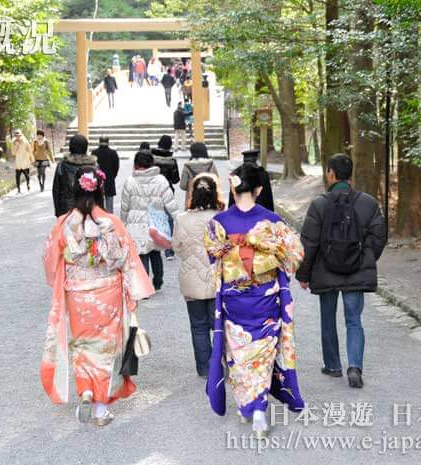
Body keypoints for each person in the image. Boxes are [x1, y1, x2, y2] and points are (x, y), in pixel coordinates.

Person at [42, 166, 154, 426]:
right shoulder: (111, 223)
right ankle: (101, 408)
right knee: (105, 347)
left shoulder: (63, 223)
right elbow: (128, 259)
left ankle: (86, 390)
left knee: (82, 346)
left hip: (78, 294)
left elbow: (50, 260)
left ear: (75, 190)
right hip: (108, 292)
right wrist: (133, 292)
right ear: (101, 190)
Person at [205, 164, 305, 438]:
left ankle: (249, 405)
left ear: (233, 188)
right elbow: (294, 255)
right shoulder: (273, 221)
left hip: (233, 299)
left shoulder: (219, 222)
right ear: (259, 189)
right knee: (261, 352)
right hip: (265, 298)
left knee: (238, 353)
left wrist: (235, 249)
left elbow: (212, 255)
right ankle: (257, 409)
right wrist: (268, 253)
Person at [295, 154, 387, 388]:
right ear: (351, 174)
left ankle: (333, 365)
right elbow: (378, 236)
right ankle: (354, 366)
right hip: (356, 271)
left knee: (328, 318)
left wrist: (303, 274)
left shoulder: (319, 204)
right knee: (354, 319)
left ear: (331, 174)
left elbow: (309, 242)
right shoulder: (368, 203)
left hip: (325, 270)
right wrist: (366, 258)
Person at [173, 174, 224, 378]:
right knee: (219, 325)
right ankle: (219, 364)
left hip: (191, 278)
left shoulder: (181, 219)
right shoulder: (222, 218)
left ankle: (204, 367)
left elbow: (176, 246)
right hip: (216, 278)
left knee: (198, 326)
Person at [120, 151, 179, 292]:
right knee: (155, 252)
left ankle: (144, 286)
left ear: (136, 164)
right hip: (156, 221)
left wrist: (123, 222)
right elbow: (170, 202)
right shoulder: (161, 180)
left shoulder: (130, 181)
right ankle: (158, 282)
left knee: (142, 254)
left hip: (136, 223)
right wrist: (179, 218)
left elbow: (125, 205)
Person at [52, 134, 97, 217]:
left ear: (71, 147)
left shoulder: (62, 165)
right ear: (85, 147)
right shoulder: (93, 166)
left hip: (67, 209)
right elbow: (99, 190)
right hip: (89, 207)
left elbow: (56, 190)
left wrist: (58, 213)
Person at [151, 136, 180, 260]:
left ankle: (154, 247)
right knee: (169, 220)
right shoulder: (172, 160)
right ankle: (169, 251)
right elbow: (175, 179)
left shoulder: (152, 158)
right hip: (167, 191)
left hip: (153, 192)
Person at [179, 142, 219, 208]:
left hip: (192, 200)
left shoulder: (187, 166)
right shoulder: (211, 164)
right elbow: (216, 181)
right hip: (210, 199)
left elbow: (182, 186)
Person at [91, 137, 120, 213]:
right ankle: (110, 222)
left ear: (99, 142)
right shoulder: (113, 153)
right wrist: (113, 176)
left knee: (97, 206)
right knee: (109, 208)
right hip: (110, 181)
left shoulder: (94, 153)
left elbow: (92, 168)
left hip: (97, 182)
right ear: (108, 142)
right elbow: (116, 167)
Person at [12, 129, 35, 194]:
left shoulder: (25, 142)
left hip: (25, 162)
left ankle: (28, 184)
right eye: (16, 136)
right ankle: (18, 189)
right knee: (17, 176)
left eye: (19, 135)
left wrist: (32, 159)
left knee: (27, 176)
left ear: (21, 135)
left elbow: (30, 151)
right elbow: (13, 153)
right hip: (18, 163)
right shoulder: (14, 143)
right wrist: (16, 146)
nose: (17, 137)